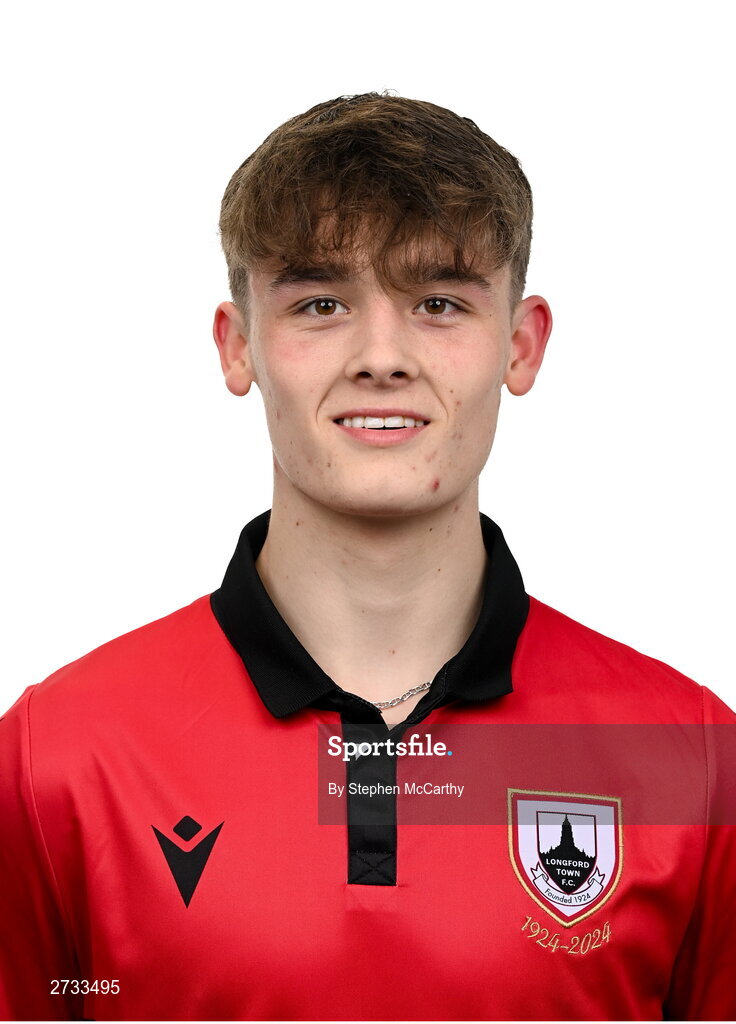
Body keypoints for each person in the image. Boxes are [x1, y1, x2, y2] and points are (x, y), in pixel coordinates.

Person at [1, 91, 734, 1022]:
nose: (381, 356)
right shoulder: (55, 761)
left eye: (438, 302)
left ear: (521, 342)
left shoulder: (692, 762)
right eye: (320, 302)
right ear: (239, 346)